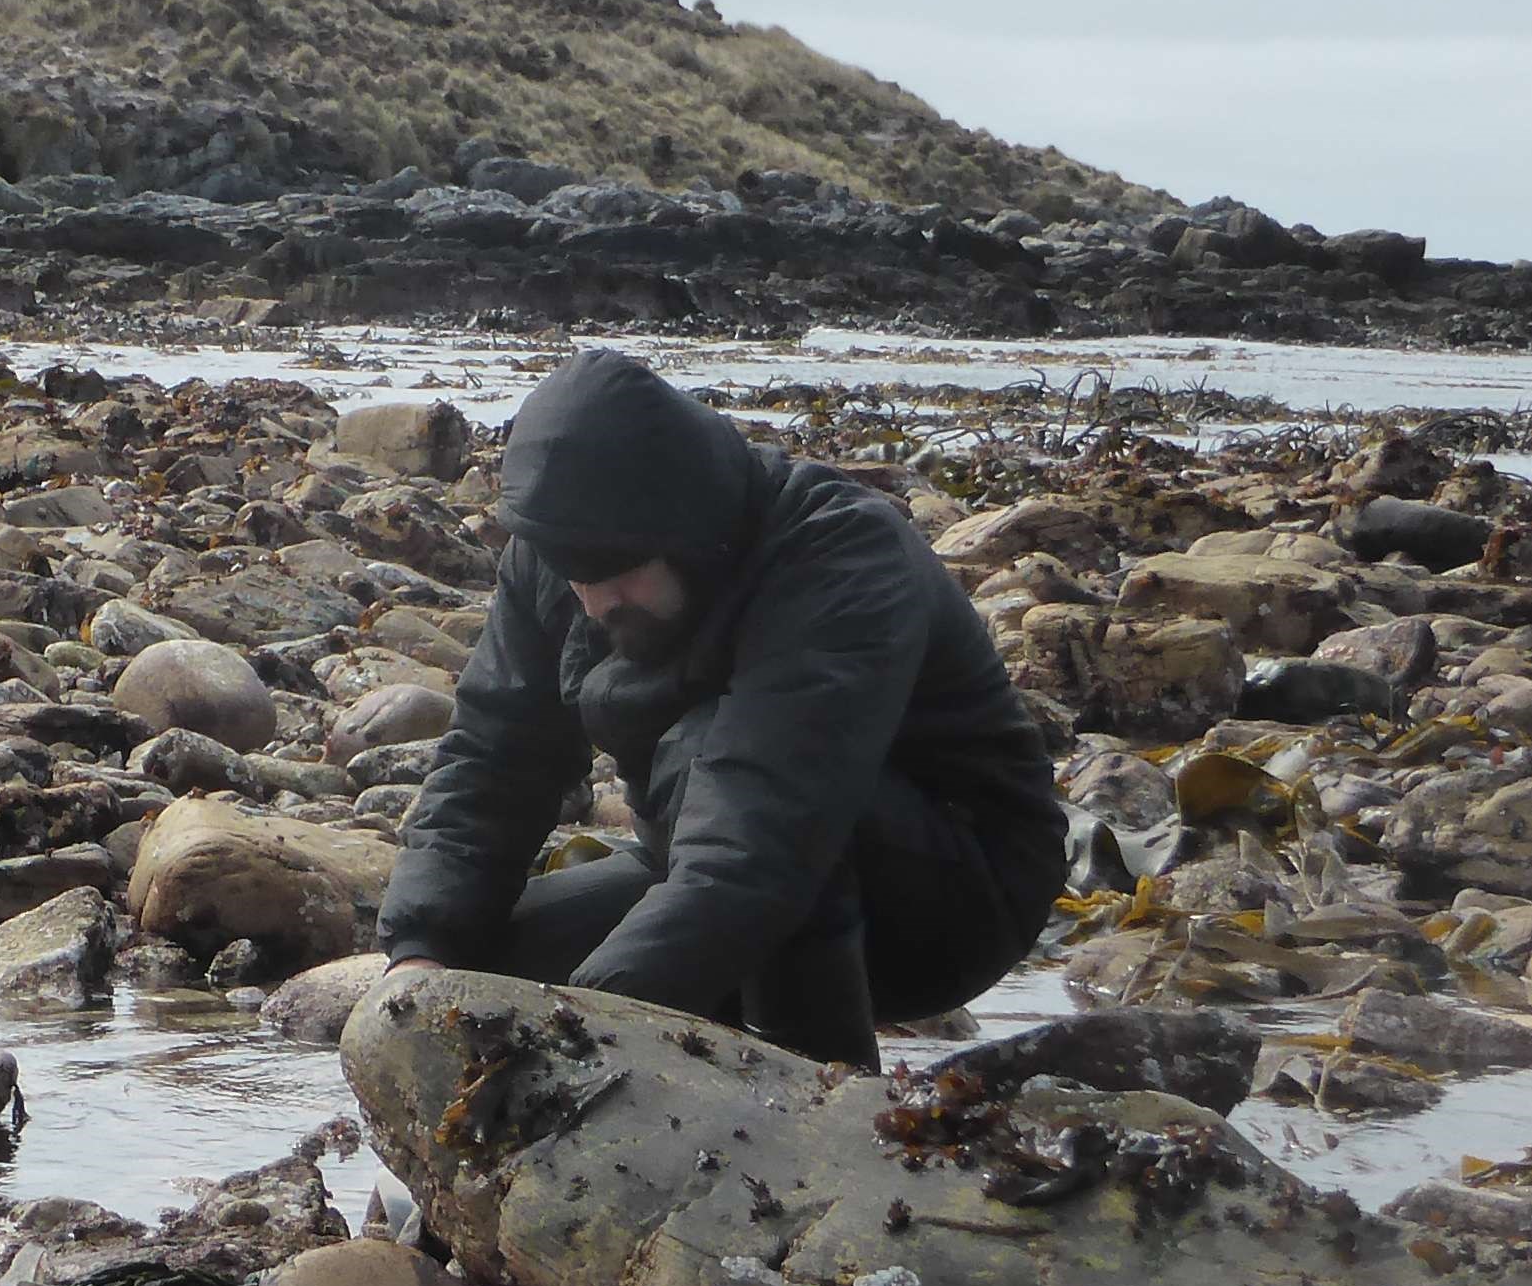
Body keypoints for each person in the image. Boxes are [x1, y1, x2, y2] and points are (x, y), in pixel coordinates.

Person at [374, 348, 1068, 1067]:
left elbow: (763, 822)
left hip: (951, 894)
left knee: (697, 768)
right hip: (703, 860)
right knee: (478, 987)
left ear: (687, 527)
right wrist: (421, 955)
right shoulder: (561, 555)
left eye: (615, 573)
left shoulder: (840, 554)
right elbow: (494, 758)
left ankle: (823, 1108)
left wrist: (596, 1028)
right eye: (573, 572)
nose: (593, 599)